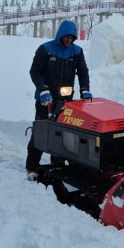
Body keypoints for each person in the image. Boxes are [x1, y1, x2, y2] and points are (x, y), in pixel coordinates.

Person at [26, 19, 90, 175]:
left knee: (63, 133)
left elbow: (82, 72)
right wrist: (43, 89)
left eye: (72, 38)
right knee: (42, 131)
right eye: (66, 37)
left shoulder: (77, 52)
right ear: (60, 35)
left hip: (66, 100)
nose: (69, 40)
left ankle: (58, 165)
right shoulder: (45, 49)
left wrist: (85, 89)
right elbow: (35, 72)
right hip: (45, 99)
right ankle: (31, 167)